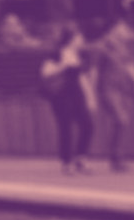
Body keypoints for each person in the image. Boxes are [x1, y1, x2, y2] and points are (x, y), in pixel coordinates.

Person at [89, 18, 134, 172]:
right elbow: (93, 71)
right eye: (121, 27)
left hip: (124, 88)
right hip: (108, 89)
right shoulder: (100, 47)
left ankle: (116, 158)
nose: (124, 30)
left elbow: (130, 64)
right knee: (121, 119)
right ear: (113, 29)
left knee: (123, 122)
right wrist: (92, 93)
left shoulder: (123, 47)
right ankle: (116, 157)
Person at [41, 23, 98, 174]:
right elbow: (45, 73)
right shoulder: (56, 53)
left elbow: (81, 78)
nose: (82, 39)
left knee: (87, 124)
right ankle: (66, 162)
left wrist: (90, 97)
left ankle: (81, 157)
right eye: (79, 37)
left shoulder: (79, 55)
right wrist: (63, 66)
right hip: (61, 95)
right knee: (65, 127)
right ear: (71, 38)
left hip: (76, 93)